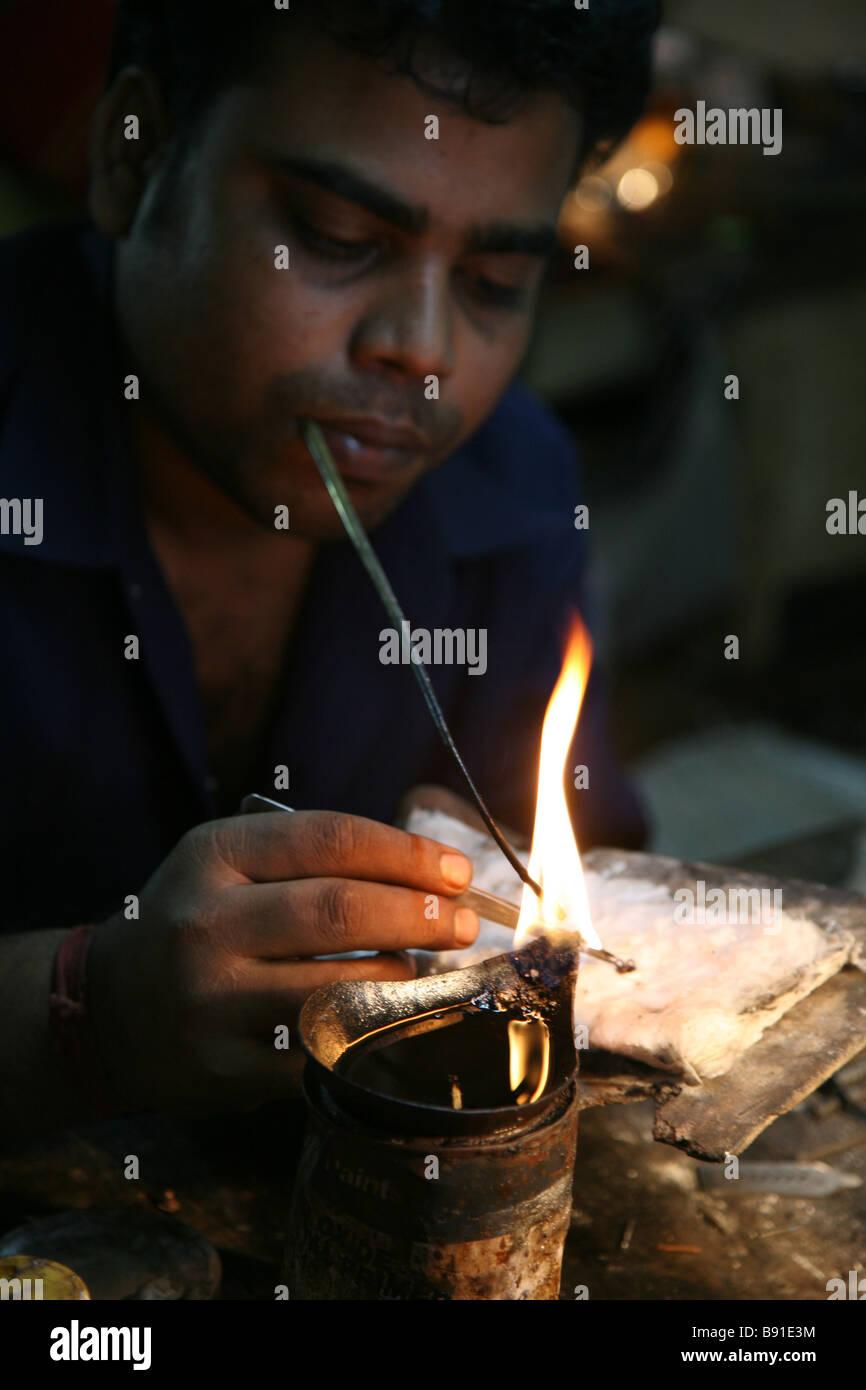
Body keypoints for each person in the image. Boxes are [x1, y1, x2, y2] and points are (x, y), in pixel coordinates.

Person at [0, 0, 657, 1140]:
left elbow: (583, 869)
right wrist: (86, 1008)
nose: (424, 350)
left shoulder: (510, 484)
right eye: (336, 234)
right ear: (133, 154)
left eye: (495, 282)